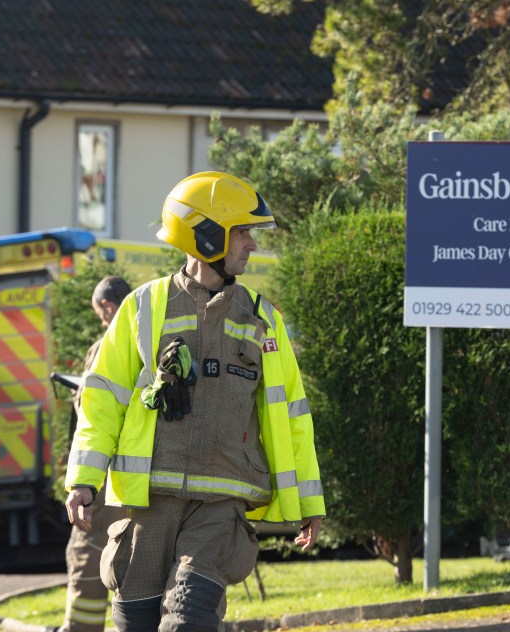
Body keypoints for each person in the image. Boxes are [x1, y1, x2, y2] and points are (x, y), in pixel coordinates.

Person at [63, 171, 325, 632]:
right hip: (149, 506)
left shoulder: (264, 321)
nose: (252, 244)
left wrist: (309, 500)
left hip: (221, 506)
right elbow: (102, 400)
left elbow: (291, 416)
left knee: (187, 621)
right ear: (207, 234)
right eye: (243, 231)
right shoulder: (143, 308)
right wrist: (83, 480)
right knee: (136, 624)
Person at [61, 276, 132, 632]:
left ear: (106, 306)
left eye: (100, 313)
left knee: (87, 559)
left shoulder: (106, 346)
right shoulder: (153, 339)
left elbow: (92, 409)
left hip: (104, 481)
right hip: (142, 483)